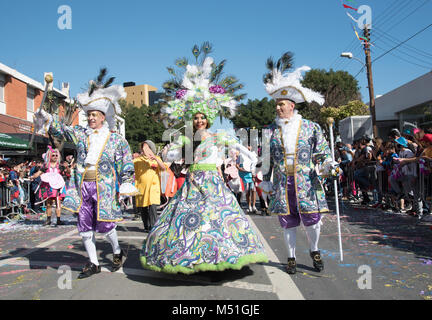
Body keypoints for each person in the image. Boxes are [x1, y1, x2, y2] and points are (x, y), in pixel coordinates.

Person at [140, 49, 268, 274]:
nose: (199, 120)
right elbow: (170, 158)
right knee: (189, 220)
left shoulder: (218, 136)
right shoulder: (187, 138)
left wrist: (252, 157)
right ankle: (193, 256)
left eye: (202, 117)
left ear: (208, 119)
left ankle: (218, 257)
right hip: (192, 182)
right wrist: (168, 150)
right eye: (196, 117)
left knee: (215, 219)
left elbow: (237, 146)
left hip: (212, 182)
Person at [34, 72, 138, 279]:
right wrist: (46, 118)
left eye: (94, 115)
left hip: (104, 188)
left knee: (106, 224)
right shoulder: (81, 134)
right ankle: (93, 263)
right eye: (89, 114)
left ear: (103, 117)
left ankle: (117, 250)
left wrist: (126, 183)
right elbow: (60, 129)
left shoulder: (116, 140)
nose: (90, 118)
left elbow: (125, 162)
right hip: (83, 187)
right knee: (83, 224)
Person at [262, 52, 336, 274]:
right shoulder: (270, 131)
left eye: (281, 104)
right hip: (283, 183)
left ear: (292, 105)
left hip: (306, 180)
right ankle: (291, 257)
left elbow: (322, 152)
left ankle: (314, 250)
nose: (277, 108)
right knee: (287, 221)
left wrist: (328, 164)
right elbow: (266, 160)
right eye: (276, 104)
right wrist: (266, 180)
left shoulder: (311, 127)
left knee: (312, 219)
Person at [134, 140, 167, 232]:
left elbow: (164, 168)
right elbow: (130, 166)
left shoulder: (156, 158)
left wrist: (156, 159)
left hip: (153, 187)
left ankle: (153, 226)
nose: (146, 150)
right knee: (144, 207)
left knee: (152, 206)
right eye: (144, 148)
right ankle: (146, 226)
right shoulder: (138, 160)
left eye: (148, 147)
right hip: (141, 187)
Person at [31, 147, 66, 226]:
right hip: (48, 186)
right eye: (53, 155)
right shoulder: (45, 166)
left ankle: (58, 220)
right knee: (48, 203)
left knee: (58, 203)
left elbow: (66, 173)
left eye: (56, 155)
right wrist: (33, 176)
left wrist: (68, 170)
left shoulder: (60, 166)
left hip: (58, 186)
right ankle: (48, 219)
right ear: (49, 156)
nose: (55, 157)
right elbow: (39, 173)